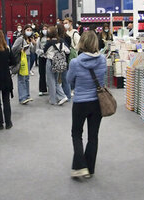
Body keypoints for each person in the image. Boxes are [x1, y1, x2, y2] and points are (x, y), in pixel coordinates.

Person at [67, 31, 107, 178]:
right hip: (97, 103)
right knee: (93, 136)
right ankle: (90, 169)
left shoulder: (75, 62)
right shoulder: (102, 59)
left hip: (80, 102)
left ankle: (79, 166)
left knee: (76, 134)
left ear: (81, 43)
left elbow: (69, 80)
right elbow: (102, 79)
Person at [44, 26, 70, 106]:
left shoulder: (49, 43)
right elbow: (68, 51)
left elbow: (44, 52)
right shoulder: (61, 41)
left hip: (51, 62)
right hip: (60, 62)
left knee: (51, 81)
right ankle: (62, 96)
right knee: (56, 80)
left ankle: (54, 99)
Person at [12, 25, 36, 104]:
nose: (29, 31)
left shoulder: (30, 39)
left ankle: (27, 95)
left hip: (28, 58)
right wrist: (22, 48)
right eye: (27, 30)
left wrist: (33, 44)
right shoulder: (20, 39)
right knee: (22, 77)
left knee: (26, 77)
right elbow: (13, 49)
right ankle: (22, 97)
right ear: (24, 30)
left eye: (30, 30)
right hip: (22, 58)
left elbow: (33, 51)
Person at [58, 23, 73, 100]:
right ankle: (67, 95)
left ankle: (65, 95)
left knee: (60, 79)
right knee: (65, 79)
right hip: (66, 60)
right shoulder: (68, 37)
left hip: (59, 61)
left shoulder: (59, 39)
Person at [35, 25, 49, 96]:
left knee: (50, 74)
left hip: (49, 57)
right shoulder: (39, 39)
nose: (45, 30)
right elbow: (36, 49)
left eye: (46, 29)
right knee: (42, 73)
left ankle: (50, 88)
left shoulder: (50, 38)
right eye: (43, 29)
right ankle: (42, 89)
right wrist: (41, 51)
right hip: (41, 57)